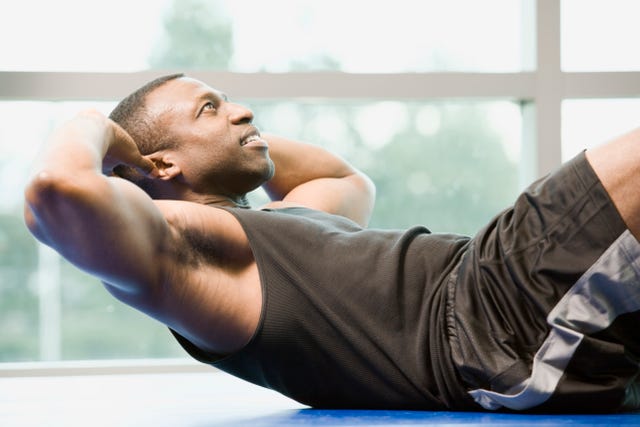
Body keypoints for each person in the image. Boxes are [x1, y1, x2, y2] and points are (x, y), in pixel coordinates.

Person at [24, 73, 640, 413]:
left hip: (496, 299)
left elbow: (342, 178)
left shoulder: (272, 227)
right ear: (157, 165)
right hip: (489, 317)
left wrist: (236, 143)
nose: (242, 112)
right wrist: (94, 126)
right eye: (210, 109)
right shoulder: (187, 255)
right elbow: (56, 189)